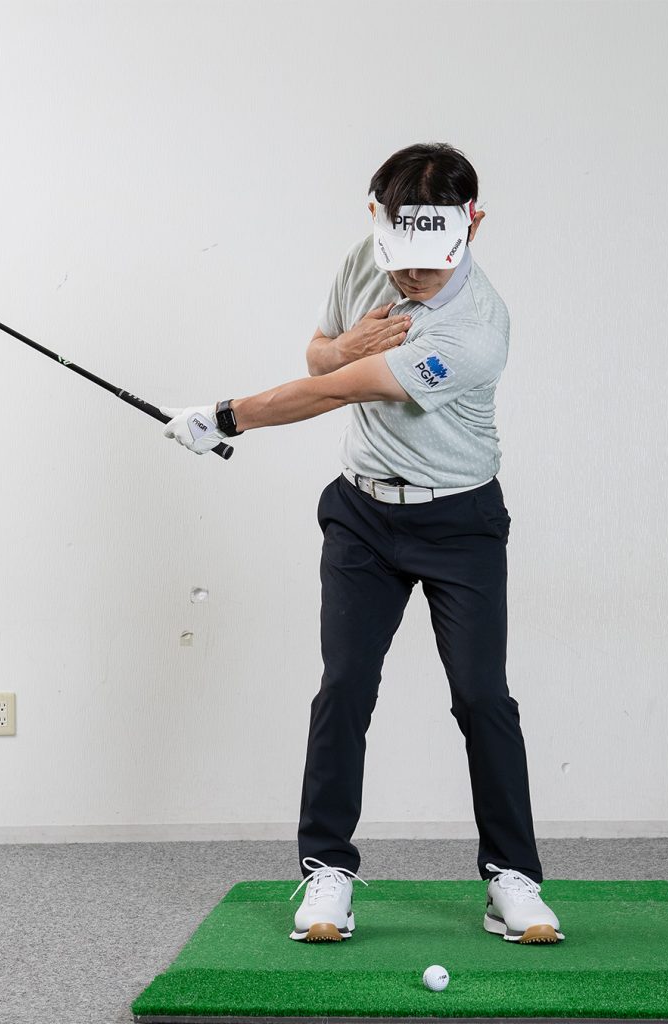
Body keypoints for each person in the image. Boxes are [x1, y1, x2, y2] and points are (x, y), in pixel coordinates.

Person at [161, 142, 565, 946]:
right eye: (398, 259)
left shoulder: (478, 327)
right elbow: (323, 355)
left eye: (427, 264)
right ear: (378, 221)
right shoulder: (364, 258)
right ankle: (327, 872)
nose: (410, 278)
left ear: (472, 224)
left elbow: (337, 390)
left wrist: (225, 416)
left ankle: (511, 878)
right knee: (344, 686)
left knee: (482, 696)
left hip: (460, 521)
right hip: (363, 515)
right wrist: (345, 346)